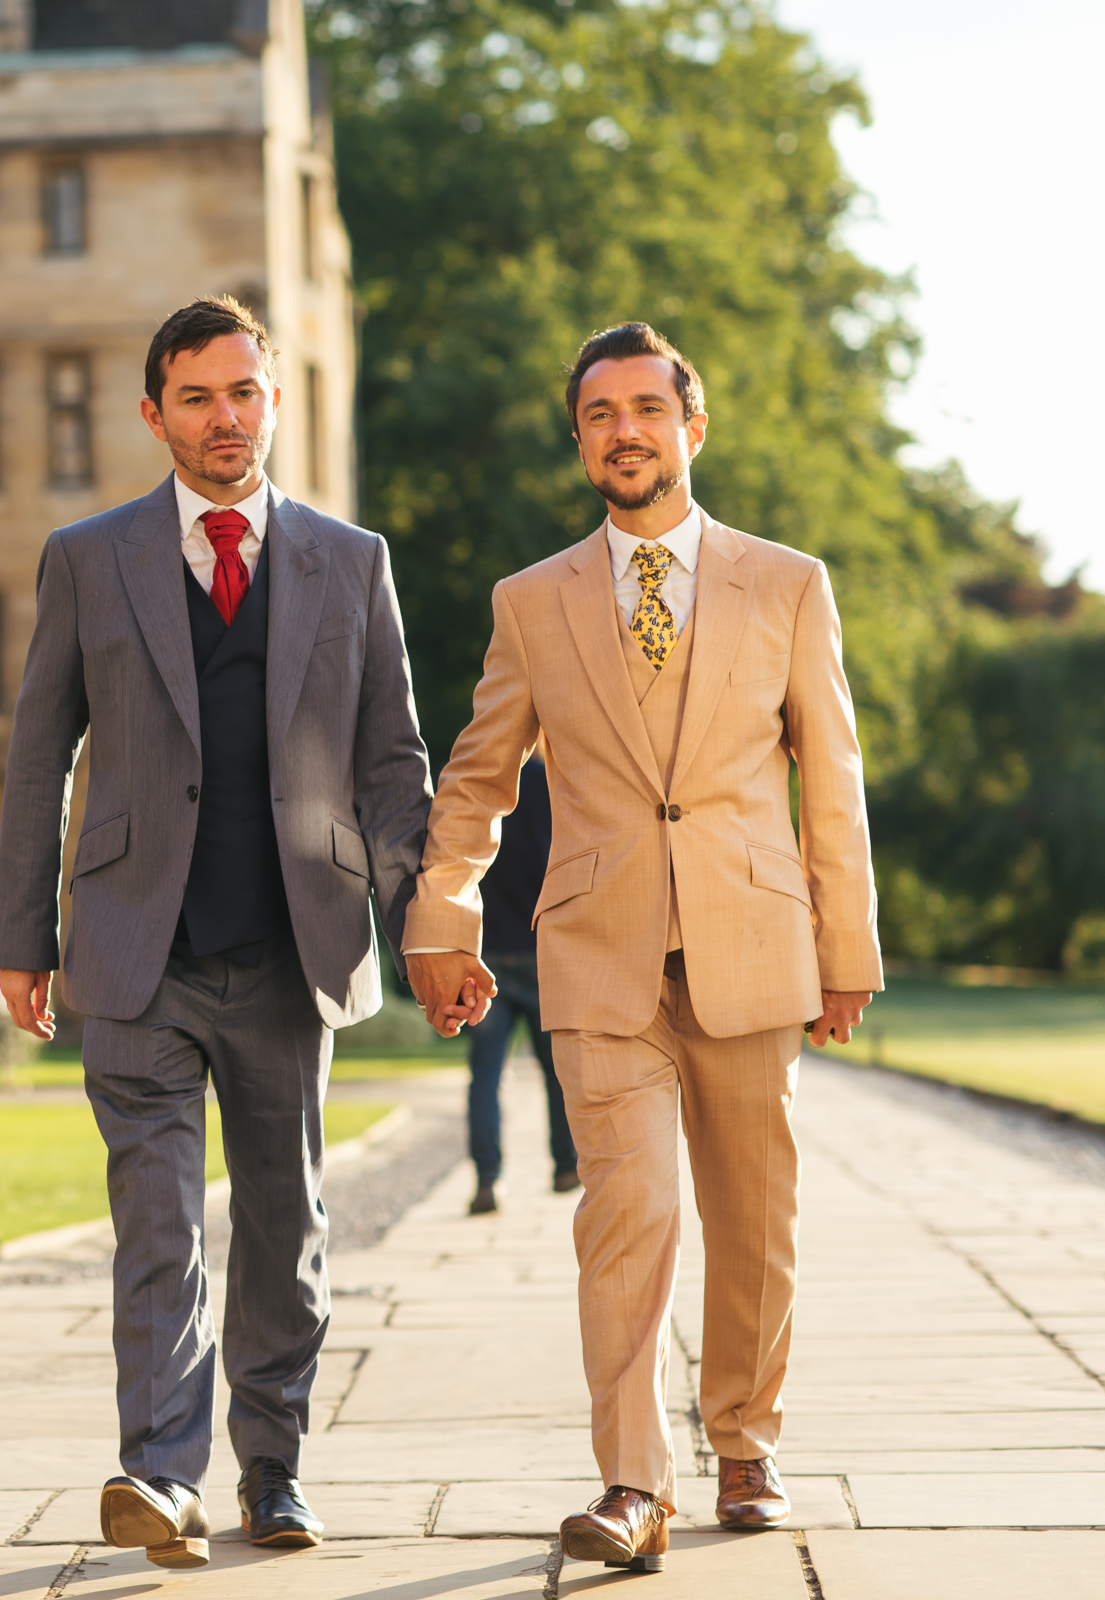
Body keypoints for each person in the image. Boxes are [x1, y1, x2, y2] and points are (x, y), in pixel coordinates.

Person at [401, 323, 881, 1573]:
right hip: (600, 956)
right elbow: (475, 781)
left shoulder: (787, 584)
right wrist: (443, 913)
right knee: (627, 1213)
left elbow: (832, 775)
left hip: (753, 940)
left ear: (691, 427)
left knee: (754, 1215)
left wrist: (848, 947)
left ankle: (745, 1443)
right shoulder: (532, 601)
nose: (625, 431)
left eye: (645, 409)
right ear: (581, 443)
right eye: (600, 414)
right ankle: (632, 1481)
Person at [0, 296, 433, 1569]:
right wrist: (24, 932)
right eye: (196, 396)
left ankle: (275, 1463)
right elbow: (38, 754)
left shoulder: (351, 561)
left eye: (244, 391)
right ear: (155, 414)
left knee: (286, 1226)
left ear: (275, 402)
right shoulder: (90, 555)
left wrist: (419, 918)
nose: (224, 417)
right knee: (160, 1222)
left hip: (294, 948)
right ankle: (160, 1472)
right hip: (136, 949)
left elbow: (392, 760)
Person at [462, 754, 579, 1215]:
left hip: (487, 950)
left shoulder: (481, 778)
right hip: (541, 950)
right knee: (558, 1071)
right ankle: (566, 1165)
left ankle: (488, 1178)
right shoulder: (555, 782)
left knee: (487, 1075)